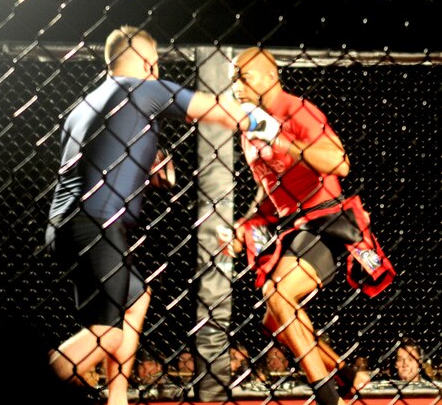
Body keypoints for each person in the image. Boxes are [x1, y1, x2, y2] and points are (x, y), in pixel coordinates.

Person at [45, 27, 271, 405]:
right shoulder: (144, 88)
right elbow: (217, 111)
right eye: (157, 64)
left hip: (66, 226)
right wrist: (266, 124)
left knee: (137, 298)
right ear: (149, 62)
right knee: (108, 333)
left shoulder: (84, 105)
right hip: (98, 227)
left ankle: (117, 399)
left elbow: (95, 161)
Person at [221, 47, 396, 405]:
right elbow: (269, 186)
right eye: (232, 77)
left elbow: (339, 162)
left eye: (243, 75)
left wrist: (284, 139)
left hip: (327, 219)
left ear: (270, 77)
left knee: (279, 294)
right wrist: (245, 224)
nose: (235, 84)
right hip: (294, 226)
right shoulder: (249, 127)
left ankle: (329, 399)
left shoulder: (296, 110)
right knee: (274, 320)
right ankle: (347, 375)